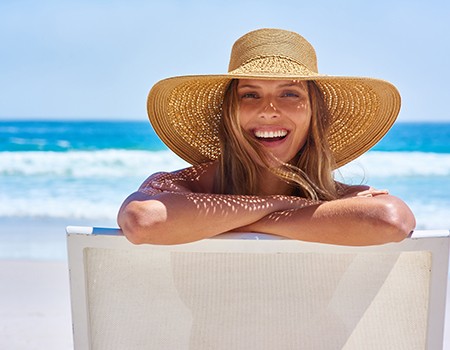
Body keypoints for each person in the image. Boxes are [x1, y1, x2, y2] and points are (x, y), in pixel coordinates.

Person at [118, 28, 415, 246]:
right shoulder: (182, 185)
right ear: (229, 113)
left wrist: (237, 219)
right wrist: (286, 205)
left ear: (316, 115)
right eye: (250, 95)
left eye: (289, 93)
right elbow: (143, 221)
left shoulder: (344, 198)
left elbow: (391, 220)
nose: (269, 111)